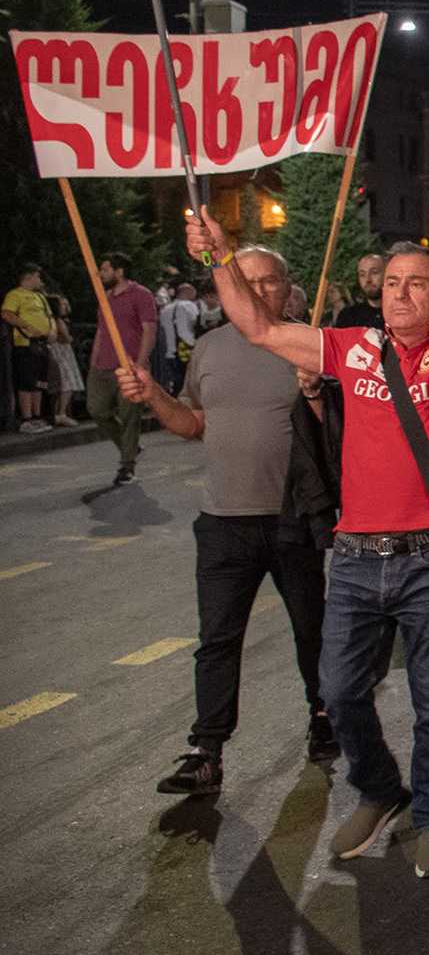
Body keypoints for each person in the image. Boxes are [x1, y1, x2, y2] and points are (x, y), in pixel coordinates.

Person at [183, 170, 429, 881]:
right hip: (358, 560)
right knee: (338, 693)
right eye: (392, 281)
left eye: (417, 283)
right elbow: (260, 326)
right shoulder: (351, 348)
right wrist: (220, 254)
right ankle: (380, 790)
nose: (400, 291)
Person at [114, 246, 335, 793]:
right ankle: (205, 750)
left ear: (288, 288)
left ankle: (326, 717)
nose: (258, 292)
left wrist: (316, 392)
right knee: (216, 640)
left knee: (314, 630)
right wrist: (154, 395)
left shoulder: (312, 346)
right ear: (228, 287)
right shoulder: (210, 348)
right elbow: (193, 424)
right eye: (246, 282)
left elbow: (342, 434)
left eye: (268, 282)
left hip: (293, 519)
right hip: (223, 521)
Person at [87, 254, 159, 485]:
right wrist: (94, 359)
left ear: (119, 272)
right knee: (97, 410)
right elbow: (101, 330)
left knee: (130, 416)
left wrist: (141, 362)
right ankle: (131, 447)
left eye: (105, 269)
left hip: (129, 366)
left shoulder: (142, 295)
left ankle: (127, 465)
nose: (101, 273)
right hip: (103, 366)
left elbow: (149, 330)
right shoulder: (104, 298)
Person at [3, 264, 53, 434]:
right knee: (27, 381)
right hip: (25, 344)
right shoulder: (15, 294)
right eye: (38, 277)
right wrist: (26, 326)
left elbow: (49, 316)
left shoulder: (40, 297)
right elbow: (7, 314)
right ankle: (26, 419)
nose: (40, 281)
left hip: (42, 343)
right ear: (29, 277)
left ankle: (37, 416)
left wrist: (52, 330)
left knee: (39, 382)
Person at [156, 283, 200, 396]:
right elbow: (195, 325)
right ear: (188, 292)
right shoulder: (189, 305)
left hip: (169, 353)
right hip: (186, 351)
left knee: (176, 384)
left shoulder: (165, 309)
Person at [45, 295, 81, 428]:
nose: (65, 307)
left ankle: (58, 413)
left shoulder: (53, 320)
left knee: (61, 383)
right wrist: (70, 338)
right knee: (67, 381)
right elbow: (66, 338)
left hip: (59, 351)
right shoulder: (58, 321)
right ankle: (61, 413)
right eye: (62, 305)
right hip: (62, 352)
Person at [333, 251, 387, 329]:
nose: (368, 280)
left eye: (374, 273)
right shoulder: (348, 316)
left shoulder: (401, 311)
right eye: (362, 275)